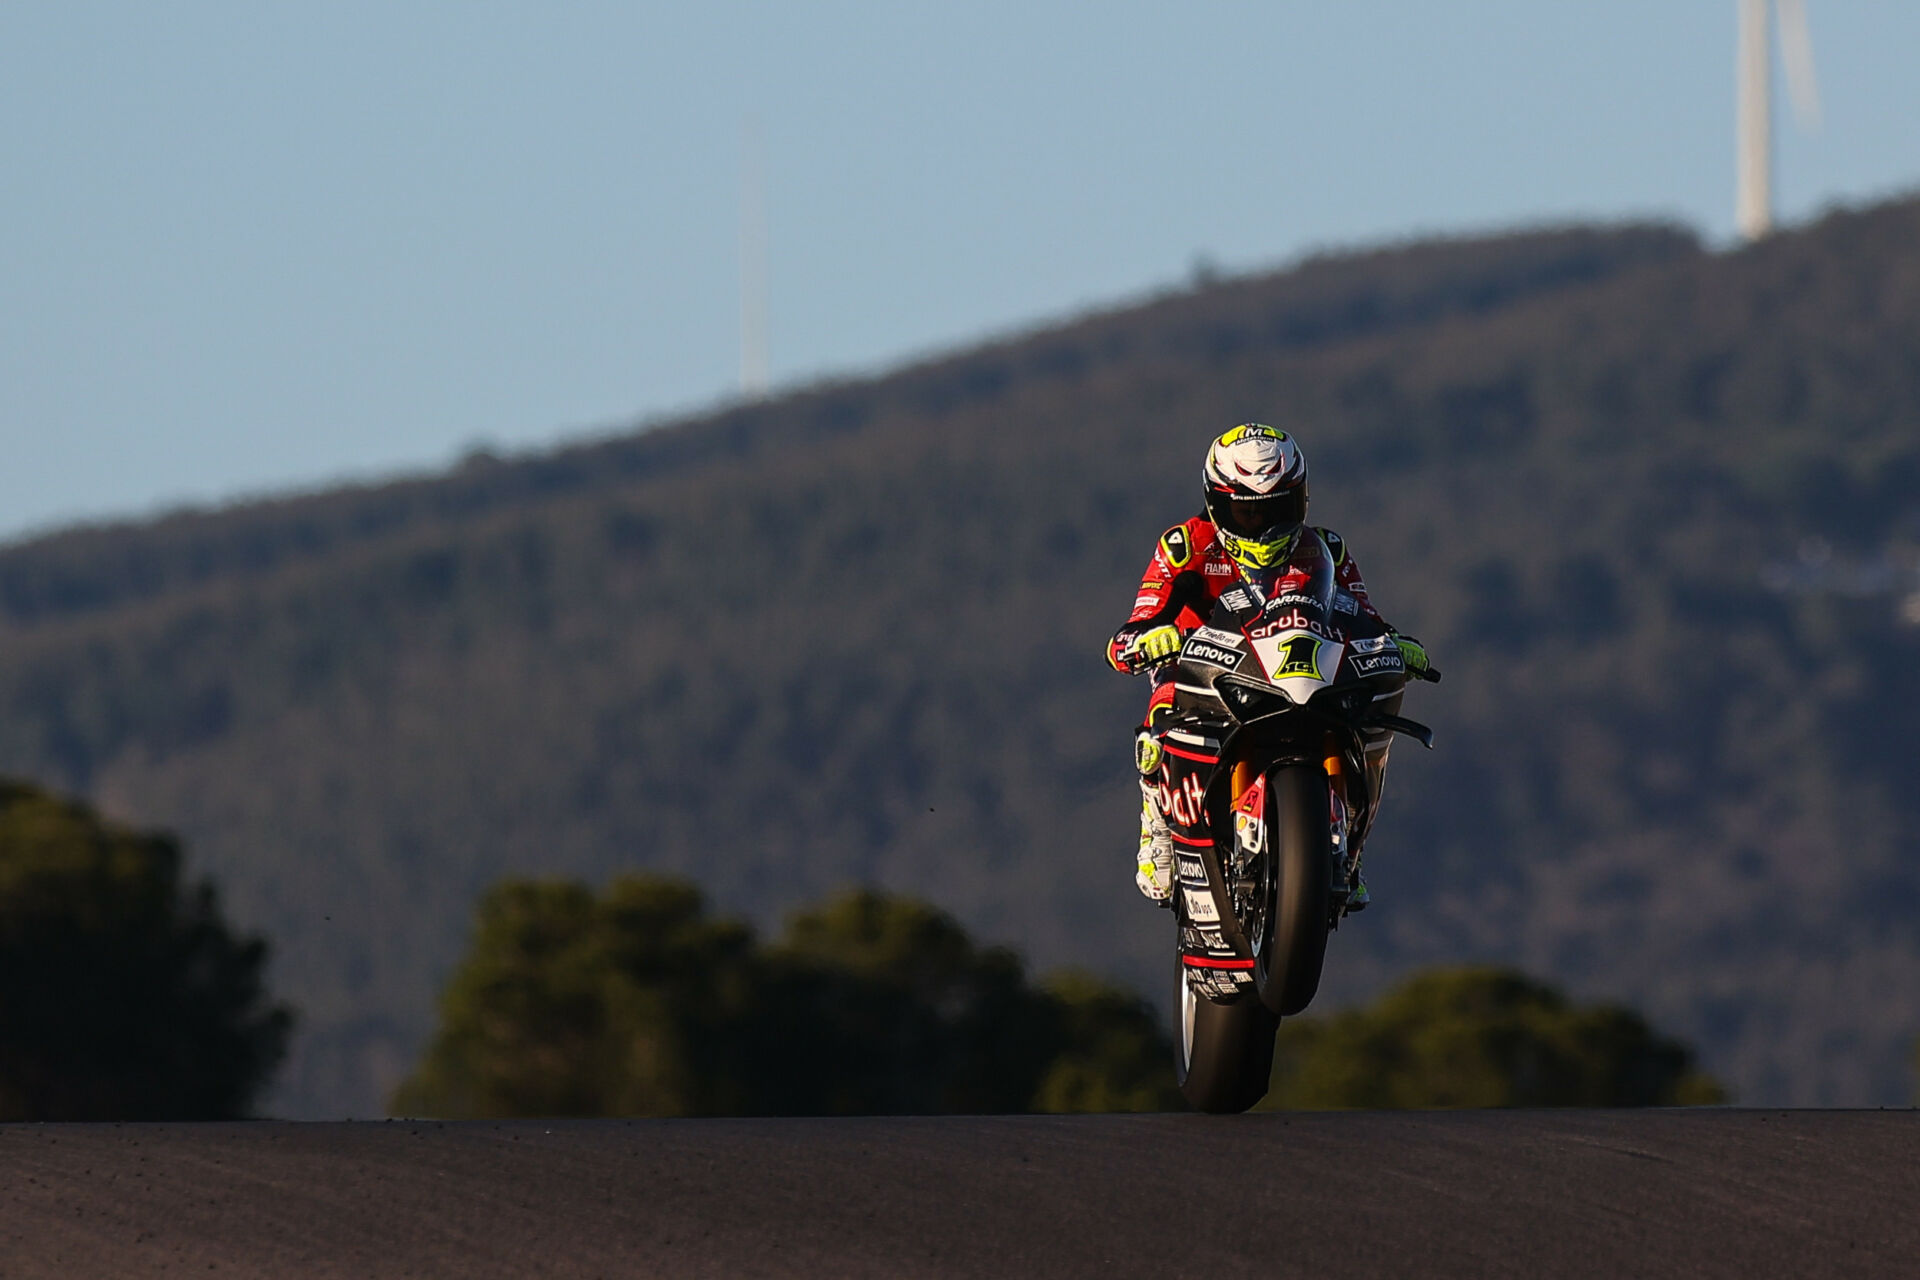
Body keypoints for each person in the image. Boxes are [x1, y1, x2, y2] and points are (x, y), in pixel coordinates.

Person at [1105, 423, 1430, 906]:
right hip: (1206, 672)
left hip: (1300, 669)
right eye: (1246, 512)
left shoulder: (1327, 550)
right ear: (1217, 504)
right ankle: (1158, 823)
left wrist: (1397, 643)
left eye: (1278, 510)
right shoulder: (1184, 545)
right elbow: (1139, 620)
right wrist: (1144, 639)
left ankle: (1351, 848)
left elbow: (1365, 613)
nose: (1263, 526)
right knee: (1158, 718)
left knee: (1371, 716)